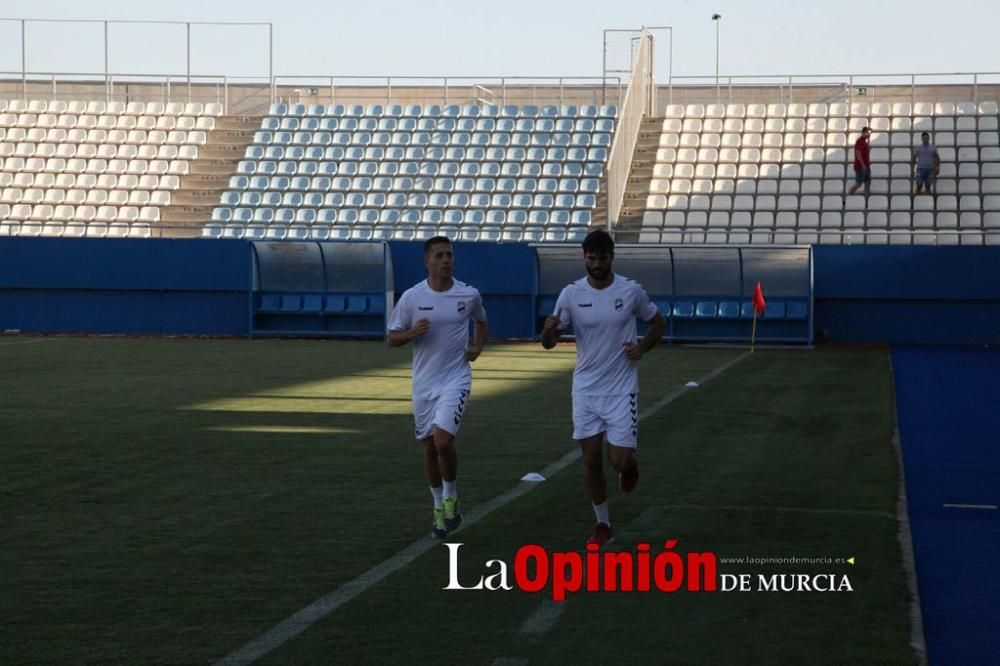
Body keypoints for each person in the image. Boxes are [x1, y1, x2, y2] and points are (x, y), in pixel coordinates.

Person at [540, 230, 667, 548]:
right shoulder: (570, 294)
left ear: (612, 257)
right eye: (591, 258)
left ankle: (631, 465)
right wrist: (549, 332)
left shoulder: (631, 290)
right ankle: (603, 524)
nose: (597, 263)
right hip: (585, 389)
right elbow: (550, 343)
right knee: (590, 459)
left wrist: (644, 347)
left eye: (602, 257)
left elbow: (658, 323)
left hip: (622, 390)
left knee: (619, 461)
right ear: (584, 257)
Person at [387, 236, 488, 539]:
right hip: (424, 383)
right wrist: (411, 332)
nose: (446, 260)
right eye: (440, 255)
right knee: (429, 447)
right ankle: (437, 506)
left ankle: (452, 497)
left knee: (443, 441)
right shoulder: (412, 297)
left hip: (455, 379)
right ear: (426, 261)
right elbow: (391, 338)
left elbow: (481, 322)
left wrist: (477, 347)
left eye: (449, 255)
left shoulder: (468, 295)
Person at [846, 126, 873, 199]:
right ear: (864, 132)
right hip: (861, 167)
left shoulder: (864, 141)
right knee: (858, 184)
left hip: (866, 167)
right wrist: (863, 165)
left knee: (867, 183)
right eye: (868, 133)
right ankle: (848, 197)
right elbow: (858, 154)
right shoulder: (860, 141)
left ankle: (866, 201)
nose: (869, 135)